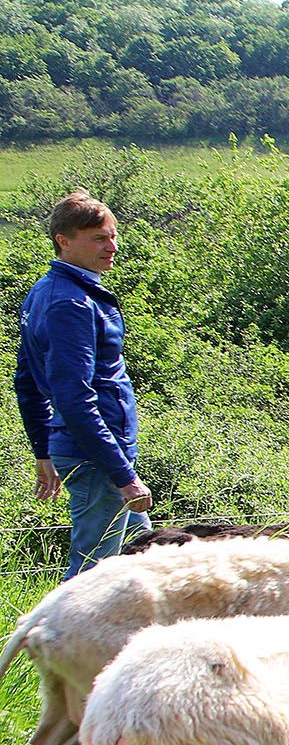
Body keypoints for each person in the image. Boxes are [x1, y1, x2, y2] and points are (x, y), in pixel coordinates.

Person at [14, 189, 152, 579]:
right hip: (96, 456)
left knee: (142, 560)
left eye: (112, 235)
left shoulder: (48, 292)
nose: (112, 247)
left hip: (98, 450)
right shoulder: (70, 303)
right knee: (94, 577)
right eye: (98, 238)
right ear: (64, 241)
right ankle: (54, 639)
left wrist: (44, 450)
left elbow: (26, 380)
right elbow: (74, 398)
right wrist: (125, 479)